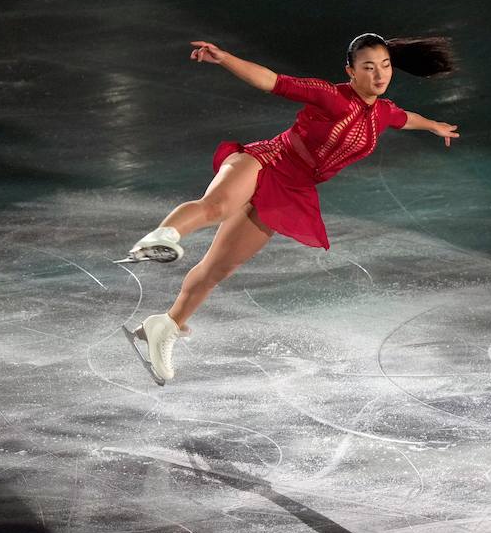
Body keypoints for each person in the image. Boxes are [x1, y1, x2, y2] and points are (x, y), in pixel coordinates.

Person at [120, 33, 459, 384]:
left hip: (291, 189)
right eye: (369, 67)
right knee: (217, 206)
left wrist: (434, 126)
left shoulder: (382, 113)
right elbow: (272, 81)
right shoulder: (330, 96)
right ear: (351, 71)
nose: (379, 75)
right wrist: (225, 59)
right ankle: (161, 237)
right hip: (267, 160)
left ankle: (166, 325)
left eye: (385, 66)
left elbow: (406, 118)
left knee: (219, 268)